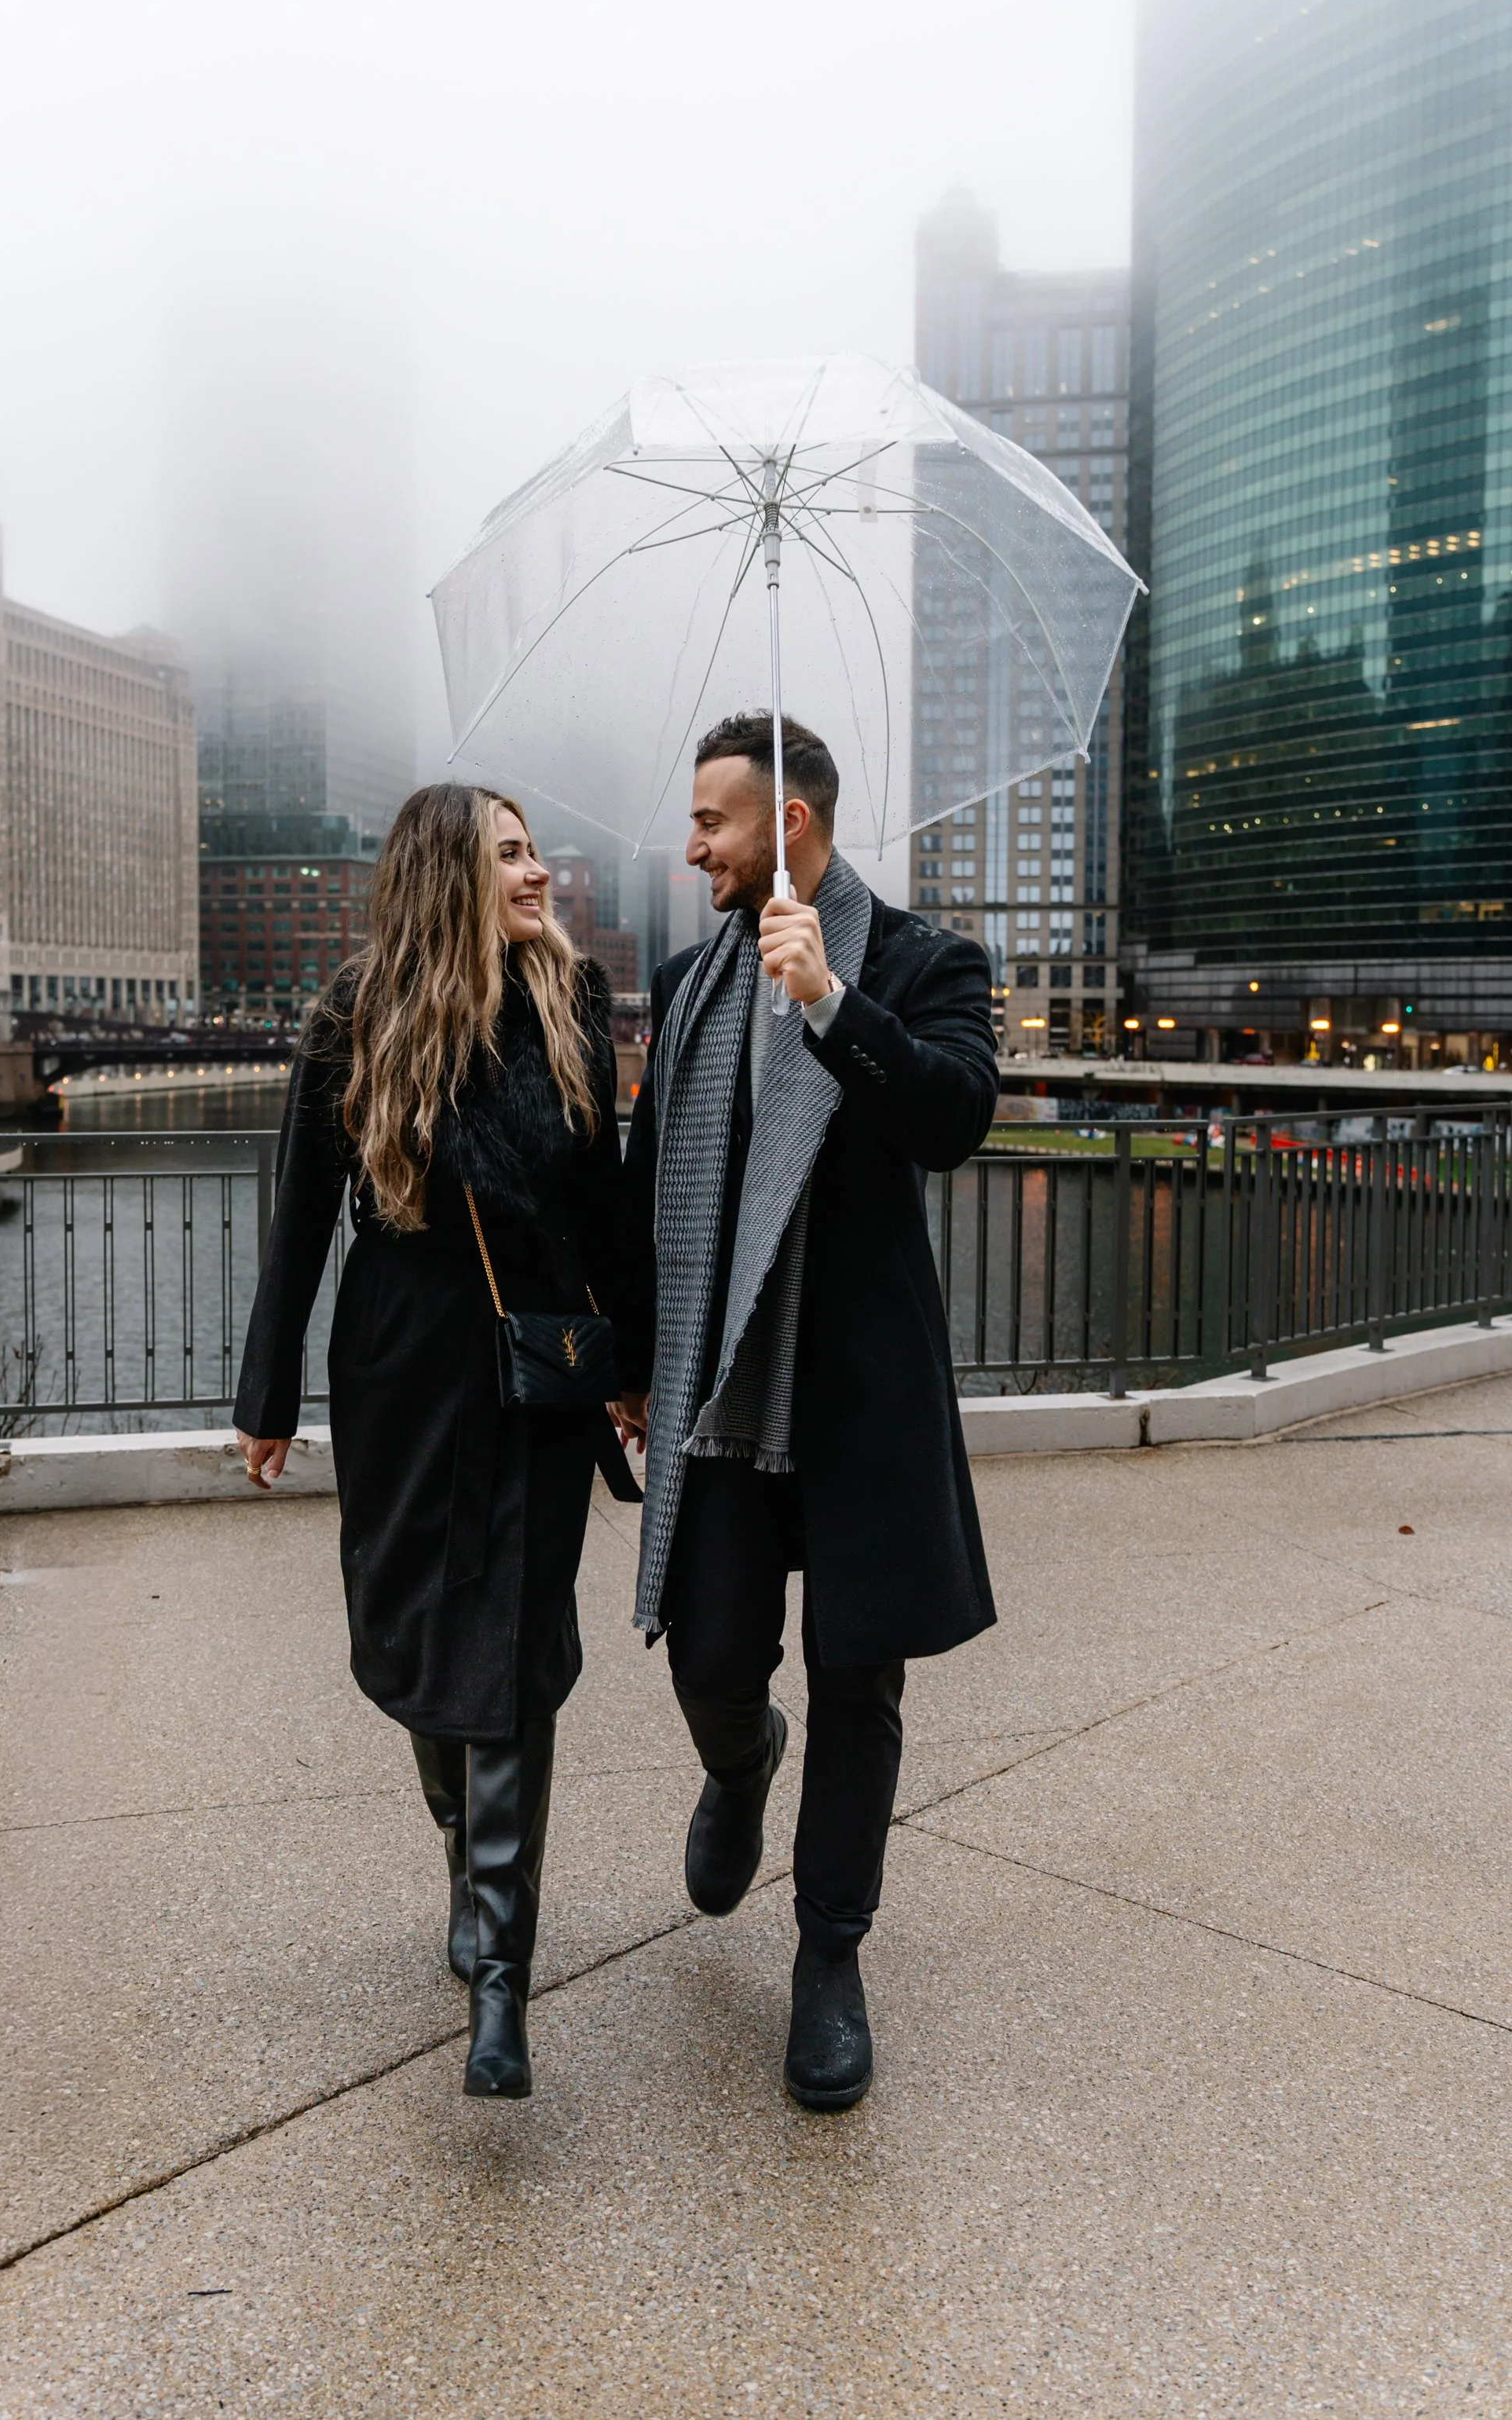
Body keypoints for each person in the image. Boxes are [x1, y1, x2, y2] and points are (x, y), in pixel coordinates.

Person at [611, 711, 999, 2112]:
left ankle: (830, 1957)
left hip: (855, 1401)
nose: (692, 844)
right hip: (720, 1393)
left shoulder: (923, 962)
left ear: (790, 823)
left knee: (860, 1683)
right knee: (712, 1654)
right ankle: (738, 1757)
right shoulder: (688, 981)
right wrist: (629, 1361)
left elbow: (955, 1117)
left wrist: (835, 1001)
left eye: (712, 819)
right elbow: (648, 1182)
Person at [234, 782, 635, 2102]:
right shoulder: (356, 1014)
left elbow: (604, 1200)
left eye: (536, 851)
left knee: (513, 1639)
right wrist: (269, 1398)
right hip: (404, 1362)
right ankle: (466, 1850)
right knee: (414, 1630)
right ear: (449, 874)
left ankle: (505, 1977)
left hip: (536, 1368)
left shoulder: (572, 1005)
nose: (539, 873)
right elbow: (301, 1217)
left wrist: (625, 1364)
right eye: (513, 855)